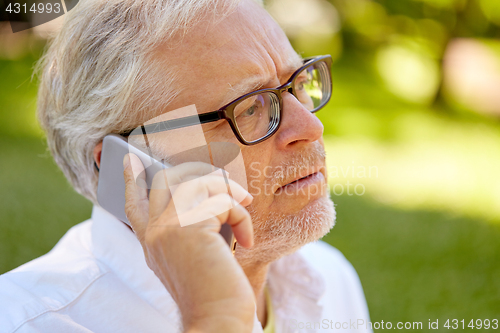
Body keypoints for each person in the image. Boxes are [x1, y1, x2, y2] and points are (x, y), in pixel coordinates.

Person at [0, 0, 372, 332]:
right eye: (250, 108)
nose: (311, 127)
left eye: (298, 83)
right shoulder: (28, 321)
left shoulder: (325, 275)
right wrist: (216, 317)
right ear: (128, 168)